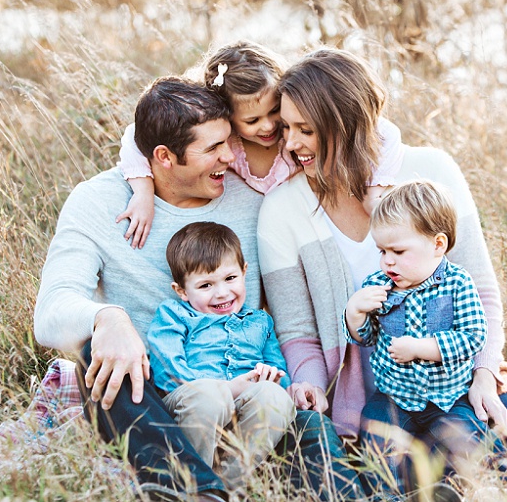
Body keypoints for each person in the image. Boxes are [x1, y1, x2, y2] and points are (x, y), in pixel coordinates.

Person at [256, 47, 507, 495]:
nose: (290, 143)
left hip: (461, 374)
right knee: (421, 479)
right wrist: (307, 381)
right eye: (286, 128)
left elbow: (481, 292)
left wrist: (484, 374)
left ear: (346, 124)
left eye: (306, 130)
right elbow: (297, 331)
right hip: (373, 401)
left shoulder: (431, 170)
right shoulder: (283, 208)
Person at [33, 75, 362, 502]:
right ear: (164, 157)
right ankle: (195, 490)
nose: (231, 156)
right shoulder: (97, 202)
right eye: (212, 149)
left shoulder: (254, 202)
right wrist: (106, 317)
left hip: (244, 383)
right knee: (97, 356)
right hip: (155, 391)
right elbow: (51, 312)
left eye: (229, 141)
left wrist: (289, 379)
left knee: (308, 424)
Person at [114, 41, 406, 248]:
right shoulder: (226, 142)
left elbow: (385, 132)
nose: (268, 126)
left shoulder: (292, 132)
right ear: (227, 115)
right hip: (256, 234)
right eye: (252, 121)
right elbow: (136, 136)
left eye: (274, 111)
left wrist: (376, 190)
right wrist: (143, 191)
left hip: (304, 224)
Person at [344, 180, 499, 494]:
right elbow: (368, 338)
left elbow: (473, 336)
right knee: (375, 439)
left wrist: (422, 348)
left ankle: (439, 488)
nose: (387, 260)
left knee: (462, 439)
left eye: (398, 251)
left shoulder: (457, 283)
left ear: (437, 245)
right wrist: (354, 315)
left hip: (449, 397)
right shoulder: (379, 283)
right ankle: (388, 493)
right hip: (393, 398)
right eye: (382, 251)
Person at [147, 222, 296, 490]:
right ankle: (190, 486)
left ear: (244, 272)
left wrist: (273, 378)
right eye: (205, 285)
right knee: (209, 396)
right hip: (192, 406)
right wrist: (226, 389)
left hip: (244, 414)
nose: (222, 293)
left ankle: (225, 488)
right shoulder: (175, 314)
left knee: (276, 400)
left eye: (230, 278)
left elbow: (277, 367)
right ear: (181, 290)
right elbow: (166, 368)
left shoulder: (260, 321)